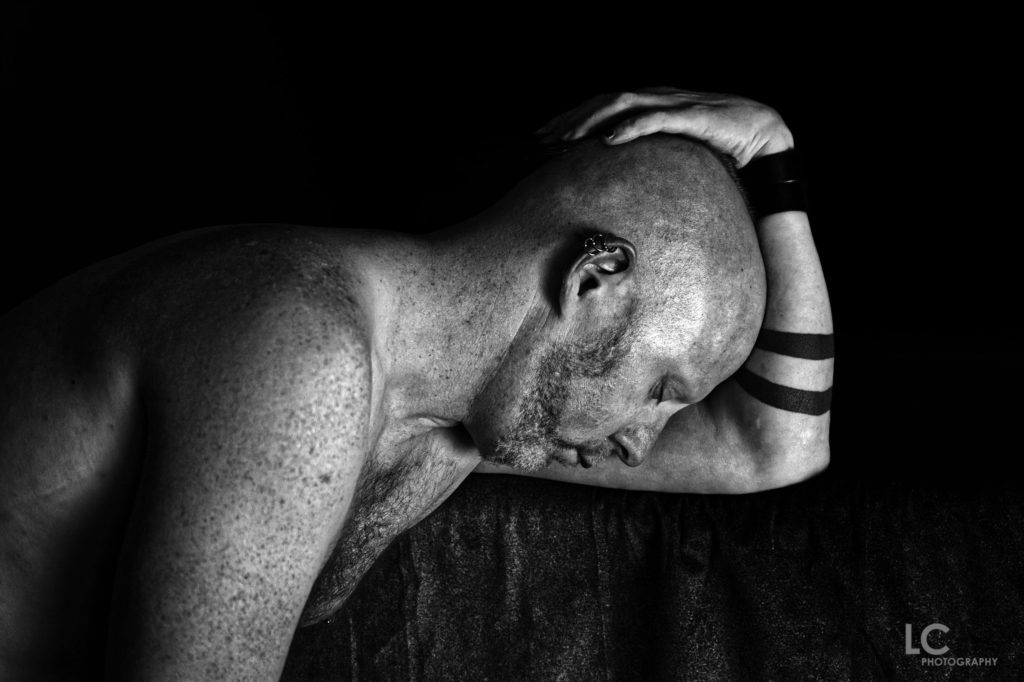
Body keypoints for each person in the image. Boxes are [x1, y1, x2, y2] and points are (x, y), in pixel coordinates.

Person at [0, 89, 832, 679]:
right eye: (662, 388)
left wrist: (774, 156)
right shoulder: (305, 349)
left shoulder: (450, 425)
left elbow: (777, 446)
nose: (646, 437)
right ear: (593, 282)